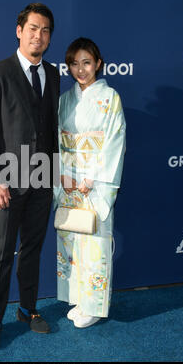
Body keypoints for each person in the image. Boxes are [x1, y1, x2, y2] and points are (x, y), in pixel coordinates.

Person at [0, 3, 60, 350]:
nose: (38, 35)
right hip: (8, 179)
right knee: (2, 251)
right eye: (32, 28)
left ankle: (27, 310)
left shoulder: (53, 73)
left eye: (44, 30)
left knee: (32, 249)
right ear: (19, 30)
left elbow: (52, 126)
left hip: (43, 178)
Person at [54, 37, 126, 328]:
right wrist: (61, 174)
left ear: (98, 63)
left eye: (86, 62)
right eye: (74, 63)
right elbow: (58, 139)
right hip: (69, 179)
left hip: (94, 181)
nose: (80, 69)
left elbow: (115, 142)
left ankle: (94, 305)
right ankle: (78, 299)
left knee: (94, 242)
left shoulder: (110, 98)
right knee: (72, 240)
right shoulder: (66, 99)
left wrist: (92, 178)